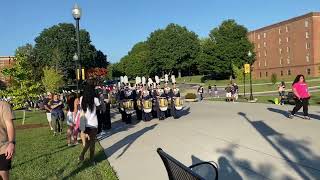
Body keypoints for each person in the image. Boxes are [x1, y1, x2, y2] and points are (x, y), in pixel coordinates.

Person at [79, 84, 101, 165]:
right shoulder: (95, 99)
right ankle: (91, 160)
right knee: (92, 142)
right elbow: (99, 108)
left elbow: (81, 109)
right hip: (93, 123)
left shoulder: (82, 98)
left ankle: (82, 154)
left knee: (88, 142)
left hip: (85, 123)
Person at [0, 101, 15, 180]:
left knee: (3, 174)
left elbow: (9, 125)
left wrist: (11, 143)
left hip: (3, 148)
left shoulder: (3, 105)